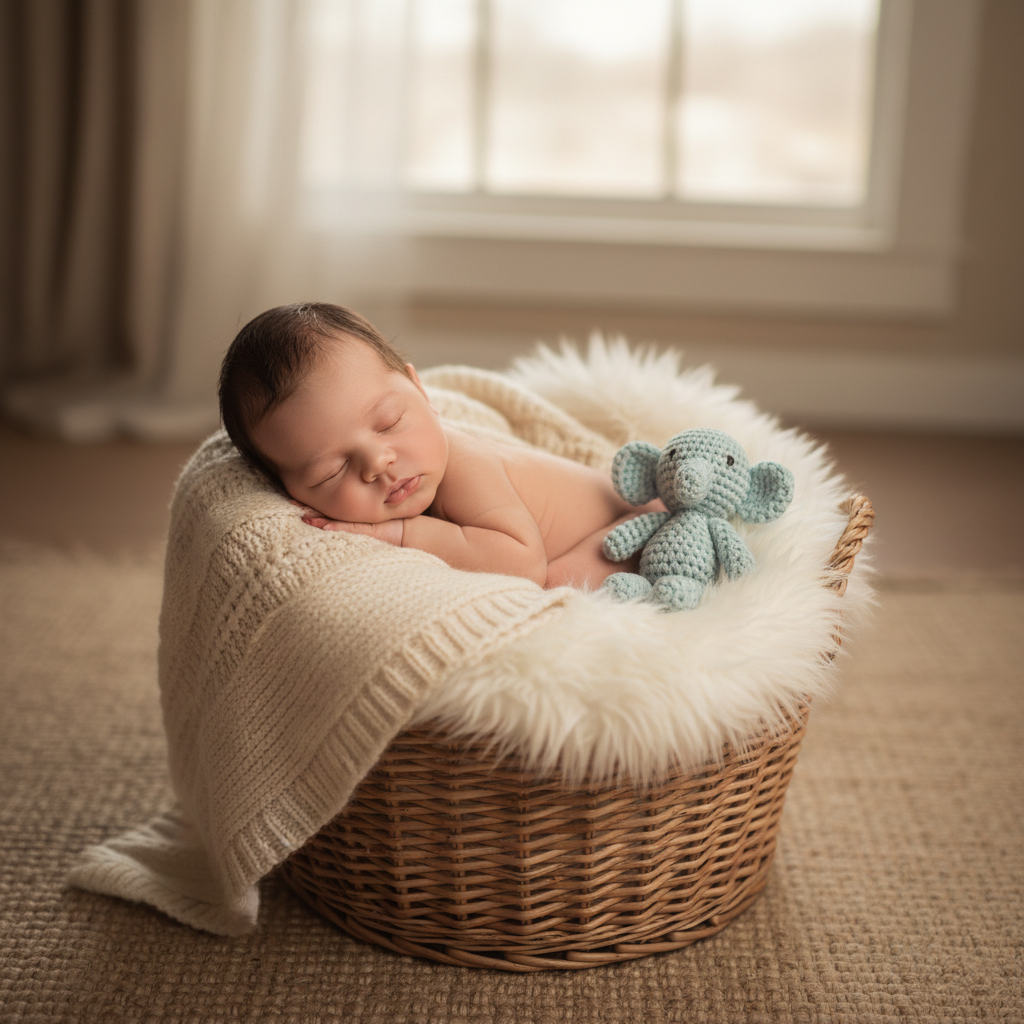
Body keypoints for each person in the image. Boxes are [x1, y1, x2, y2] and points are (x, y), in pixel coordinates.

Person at [219, 302, 661, 590]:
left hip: (638, 520)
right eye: (330, 472)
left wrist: (400, 533)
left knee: (551, 586)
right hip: (595, 530)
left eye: (389, 422)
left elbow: (521, 564)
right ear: (288, 490)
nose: (377, 462)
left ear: (420, 389)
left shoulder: (464, 464)